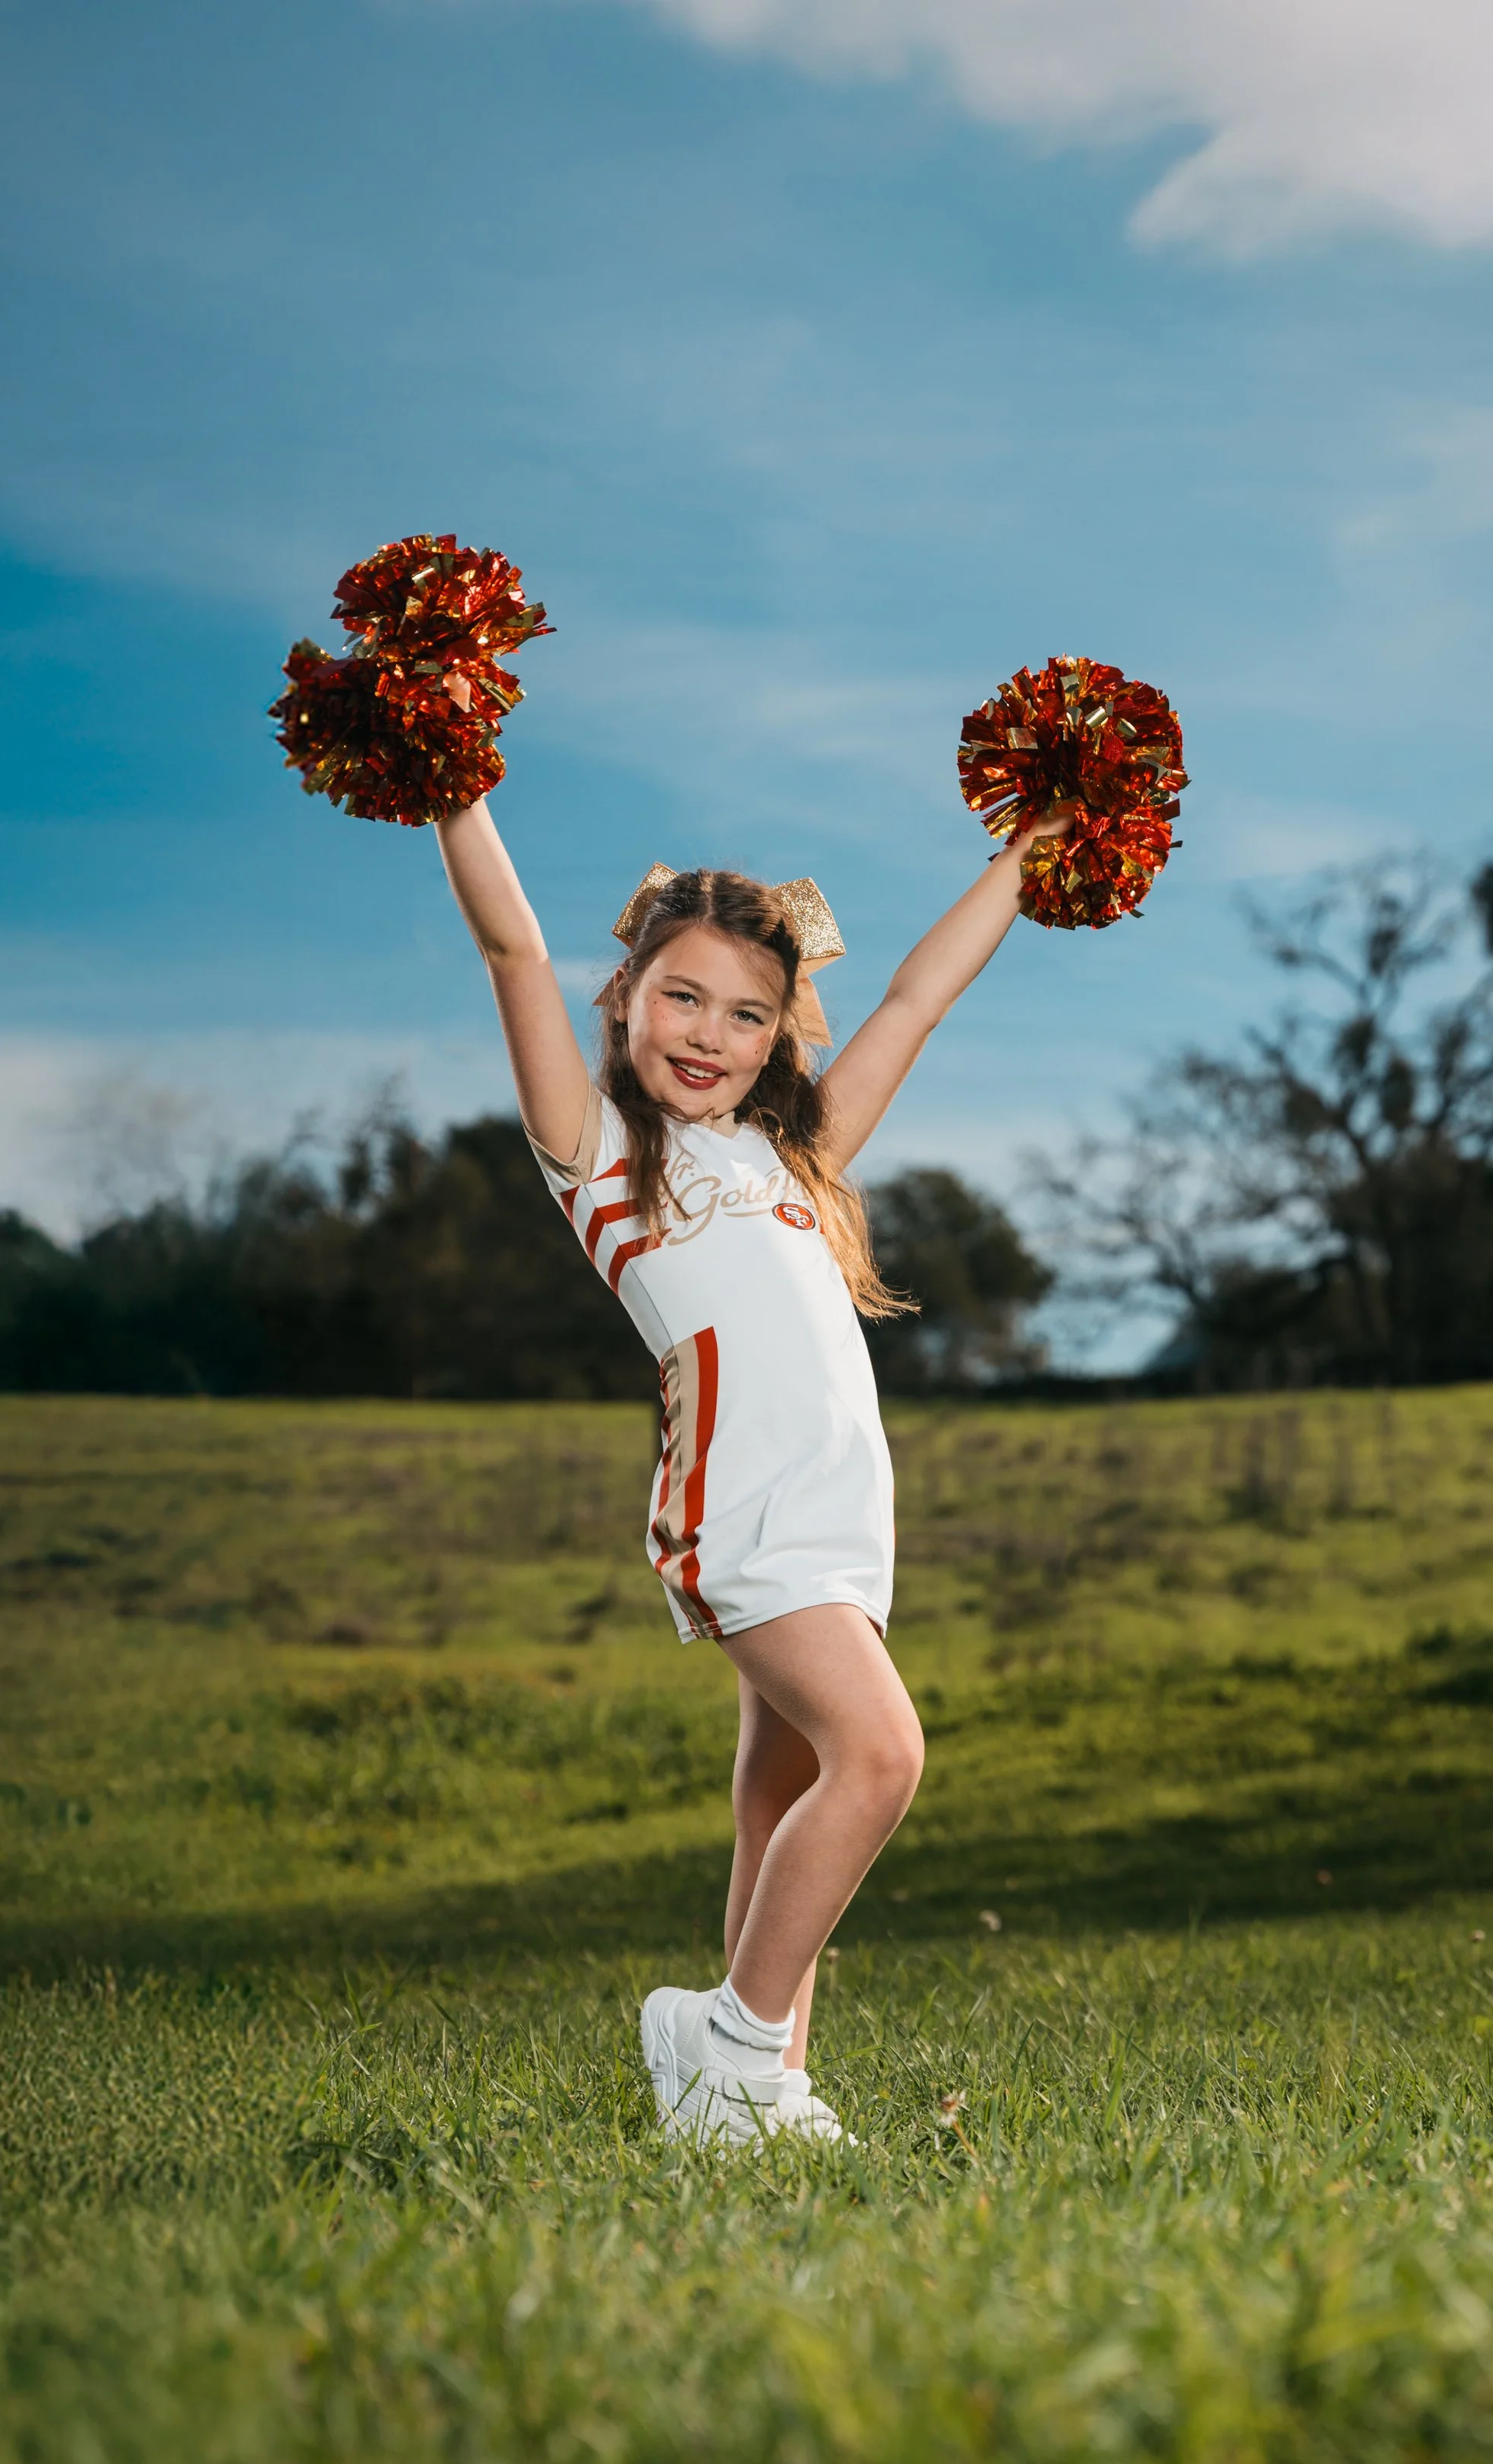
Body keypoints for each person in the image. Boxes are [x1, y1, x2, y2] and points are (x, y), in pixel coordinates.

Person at [435, 792, 1071, 2143]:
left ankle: (759, 2095)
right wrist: (461, 793)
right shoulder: (604, 1160)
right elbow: (509, 951)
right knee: (883, 1757)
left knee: (779, 1802)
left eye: (744, 1014)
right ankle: (726, 2037)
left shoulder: (799, 1157)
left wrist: (1020, 863)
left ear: (780, 1034)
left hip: (843, 1512)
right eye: (681, 998)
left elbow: (911, 1003)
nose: (707, 1036)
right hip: (742, 1510)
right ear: (626, 997)